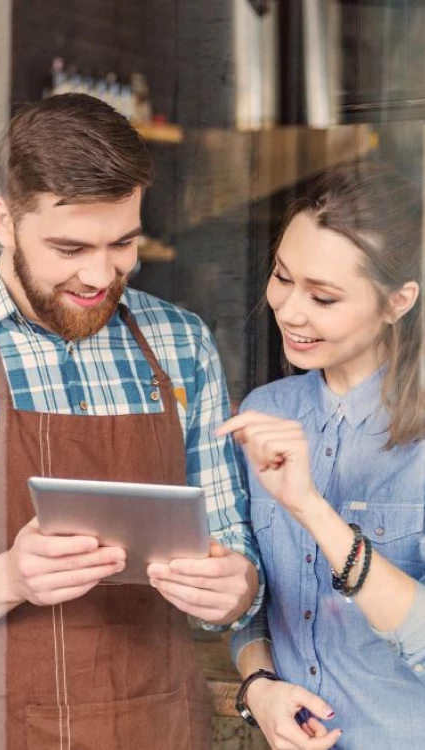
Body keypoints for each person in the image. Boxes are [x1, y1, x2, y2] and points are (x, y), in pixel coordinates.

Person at [0, 92, 263, 750]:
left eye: (123, 243)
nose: (100, 274)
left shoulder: (183, 345)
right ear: (6, 221)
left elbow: (236, 565)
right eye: (70, 247)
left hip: (155, 728)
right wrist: (9, 578)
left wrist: (234, 588)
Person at [220, 162, 425, 750]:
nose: (289, 310)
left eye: (324, 296)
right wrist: (260, 684)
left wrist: (311, 508)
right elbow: (257, 600)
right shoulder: (268, 410)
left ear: (398, 301)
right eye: (283, 277)